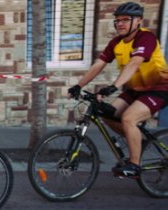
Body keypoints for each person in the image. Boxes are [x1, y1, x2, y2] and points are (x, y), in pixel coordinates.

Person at [68, 2, 168, 179]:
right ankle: (136, 140)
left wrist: (114, 86)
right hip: (134, 90)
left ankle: (134, 165)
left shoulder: (146, 38)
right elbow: (98, 65)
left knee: (128, 118)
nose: (120, 24)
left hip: (159, 88)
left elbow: (135, 62)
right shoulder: (116, 42)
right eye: (117, 20)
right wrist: (78, 85)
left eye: (125, 20)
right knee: (108, 114)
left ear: (138, 21)